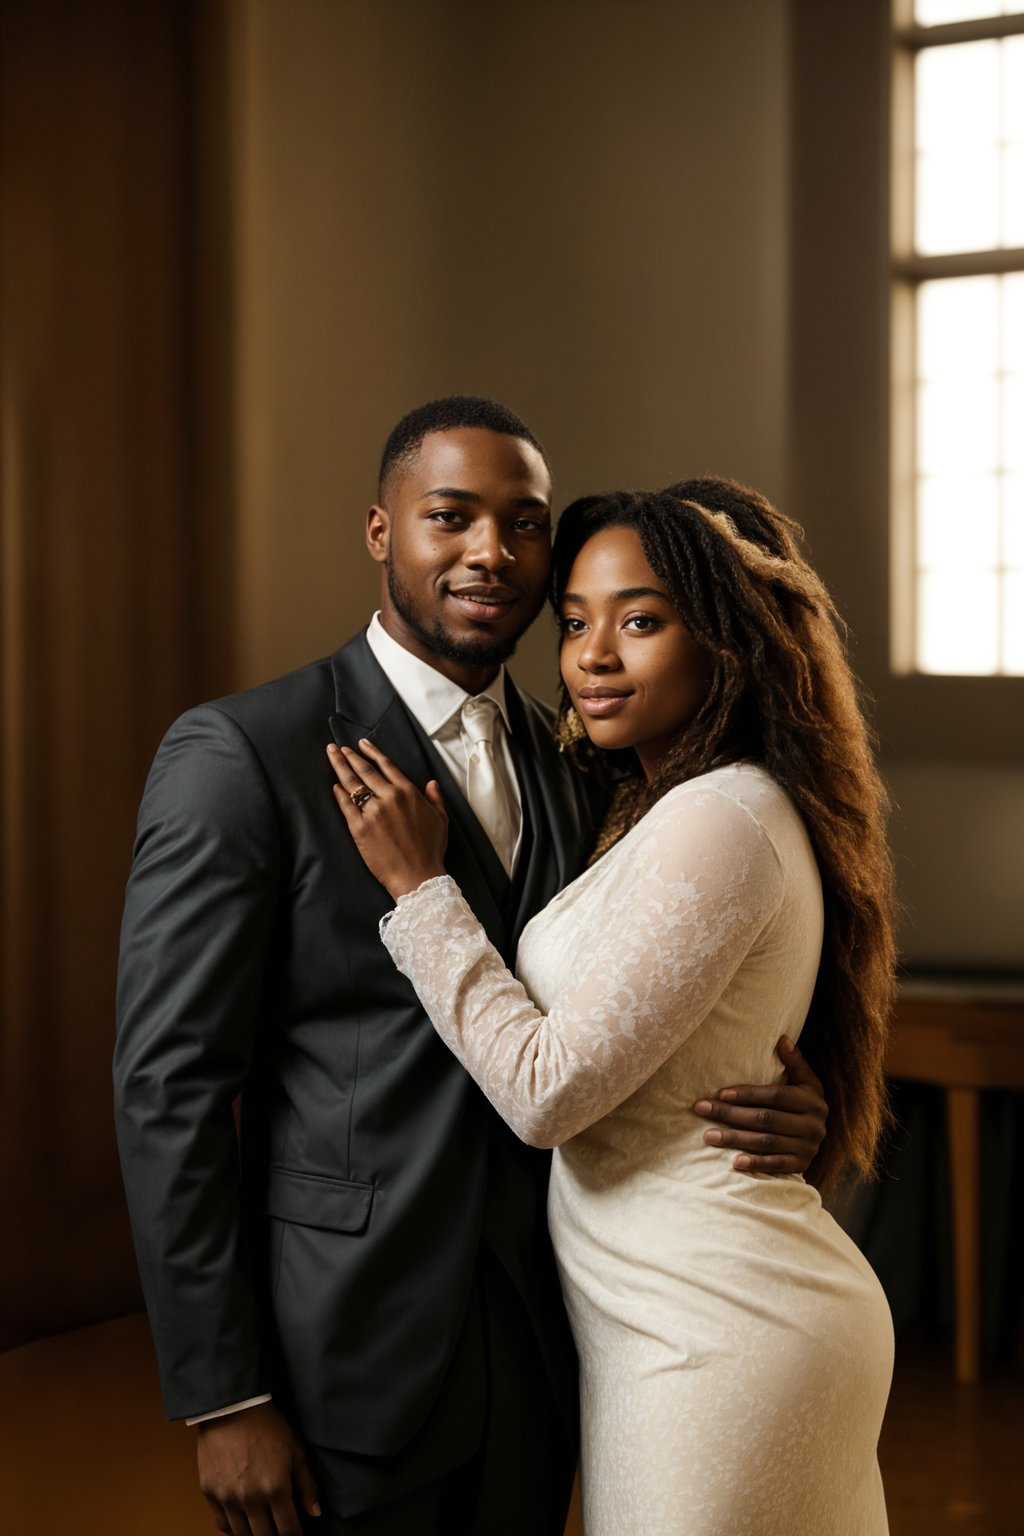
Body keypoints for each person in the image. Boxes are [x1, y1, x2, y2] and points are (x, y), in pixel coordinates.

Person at [114, 402, 830, 1536]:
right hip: (343, 1354)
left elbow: (644, 994)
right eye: (450, 516)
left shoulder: (591, 762)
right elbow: (170, 1089)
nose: (491, 551)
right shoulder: (244, 755)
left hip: (552, 1346)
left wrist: (790, 1097)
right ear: (379, 532)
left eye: (525, 525)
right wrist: (223, 1392)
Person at [328, 478, 896, 1535]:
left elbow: (548, 1094)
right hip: (663, 1317)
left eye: (640, 620)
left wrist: (421, 895)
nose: (592, 655)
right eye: (576, 622)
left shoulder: (722, 816)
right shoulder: (652, 804)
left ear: (726, 641)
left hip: (717, 1325)